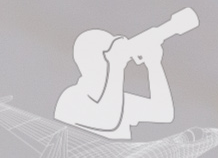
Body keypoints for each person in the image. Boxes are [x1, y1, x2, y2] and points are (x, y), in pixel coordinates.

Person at [53, 7, 198, 138]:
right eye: (110, 51)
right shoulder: (71, 99)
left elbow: (163, 113)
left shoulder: (119, 101)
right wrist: (116, 66)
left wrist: (154, 65)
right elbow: (108, 120)